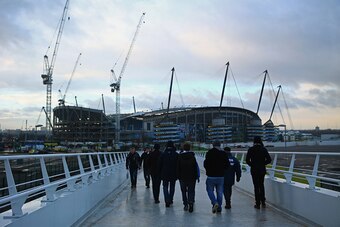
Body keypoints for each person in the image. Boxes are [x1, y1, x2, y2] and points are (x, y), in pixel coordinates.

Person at [246, 136, 272, 209]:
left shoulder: (251, 149)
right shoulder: (263, 149)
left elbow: (247, 160)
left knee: (256, 187)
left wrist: (253, 165)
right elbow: (269, 159)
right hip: (262, 170)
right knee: (261, 185)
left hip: (254, 170)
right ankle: (263, 201)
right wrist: (263, 164)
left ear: (254, 141)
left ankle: (257, 203)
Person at [204, 140, 229, 213]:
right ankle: (219, 208)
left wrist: (208, 170)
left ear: (213, 145)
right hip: (221, 176)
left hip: (211, 176)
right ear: (220, 145)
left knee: (209, 190)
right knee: (220, 192)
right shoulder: (223, 153)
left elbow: (206, 164)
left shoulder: (209, 153)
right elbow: (227, 165)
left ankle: (215, 203)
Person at [177, 143, 200, 213]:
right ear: (189, 148)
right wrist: (197, 176)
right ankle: (191, 203)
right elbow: (195, 167)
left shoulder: (180, 157)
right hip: (192, 177)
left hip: (182, 177)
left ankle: (185, 204)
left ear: (183, 148)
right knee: (191, 191)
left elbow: (178, 168)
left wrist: (178, 176)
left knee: (183, 191)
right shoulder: (192, 157)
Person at [159, 140, 178, 207]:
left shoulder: (163, 154)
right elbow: (178, 165)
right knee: (172, 187)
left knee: (165, 187)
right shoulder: (176, 154)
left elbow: (160, 164)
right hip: (173, 173)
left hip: (164, 173)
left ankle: (167, 200)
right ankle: (171, 199)